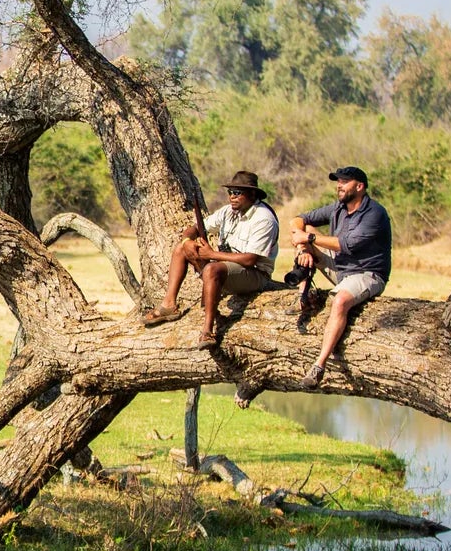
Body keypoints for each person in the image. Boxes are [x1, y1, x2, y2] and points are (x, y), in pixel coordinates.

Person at [142, 170, 280, 344]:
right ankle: (169, 305)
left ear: (252, 194)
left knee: (212, 269)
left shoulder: (264, 219)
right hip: (225, 266)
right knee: (180, 249)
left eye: (237, 193)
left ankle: (208, 330)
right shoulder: (227, 212)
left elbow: (250, 260)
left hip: (254, 274)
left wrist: (211, 255)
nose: (232, 197)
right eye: (230, 192)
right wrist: (187, 241)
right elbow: (195, 228)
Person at [286, 165, 392, 386]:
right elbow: (298, 219)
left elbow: (347, 245)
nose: (339, 185)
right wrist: (304, 247)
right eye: (338, 181)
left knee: (340, 300)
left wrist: (308, 239)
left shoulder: (374, 213)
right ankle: (303, 296)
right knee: (307, 235)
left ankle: (319, 365)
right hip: (342, 269)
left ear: (360, 186)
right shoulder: (338, 208)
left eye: (344, 182)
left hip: (367, 273)